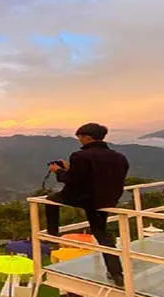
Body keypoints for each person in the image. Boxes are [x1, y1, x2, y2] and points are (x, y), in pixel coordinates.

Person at [45, 123, 129, 287]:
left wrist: (58, 171)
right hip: (108, 200)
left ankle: (52, 235)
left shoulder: (80, 156)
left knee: (50, 200)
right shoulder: (119, 157)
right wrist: (70, 169)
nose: (80, 141)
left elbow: (72, 180)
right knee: (101, 234)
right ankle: (116, 274)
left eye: (81, 138)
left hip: (84, 198)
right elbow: (100, 176)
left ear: (87, 137)